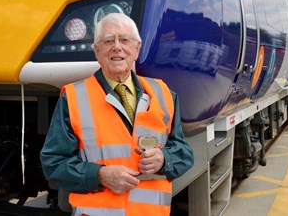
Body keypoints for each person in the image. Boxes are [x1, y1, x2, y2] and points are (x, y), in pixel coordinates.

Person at [40, 13, 194, 215]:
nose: (117, 47)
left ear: (136, 49)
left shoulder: (164, 94)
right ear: (97, 51)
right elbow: (53, 165)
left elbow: (184, 152)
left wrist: (164, 159)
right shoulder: (73, 98)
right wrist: (100, 175)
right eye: (108, 41)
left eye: (124, 40)